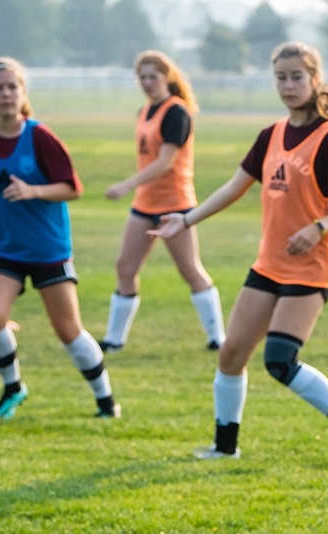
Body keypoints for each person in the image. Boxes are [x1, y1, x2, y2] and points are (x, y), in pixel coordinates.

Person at [149, 42, 328, 463]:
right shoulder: (271, 135)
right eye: (281, 77)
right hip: (270, 264)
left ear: (314, 80)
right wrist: (184, 220)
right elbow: (232, 188)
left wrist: (318, 228)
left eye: (296, 77)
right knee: (232, 352)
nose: (288, 85)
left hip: (312, 267)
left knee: (279, 359)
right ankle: (225, 448)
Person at [0, 57, 120, 420]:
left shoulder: (40, 137)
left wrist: (33, 192)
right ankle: (13, 388)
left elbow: (72, 189)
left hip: (48, 248)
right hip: (1, 247)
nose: (5, 94)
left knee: (68, 331)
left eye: (12, 87)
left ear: (23, 92)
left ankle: (106, 400)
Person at [100, 50, 226, 354]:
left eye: (152, 77)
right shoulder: (144, 112)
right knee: (125, 267)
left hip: (175, 204)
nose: (146, 83)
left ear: (167, 77)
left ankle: (218, 338)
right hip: (145, 204)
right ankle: (114, 340)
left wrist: (126, 185)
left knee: (190, 270)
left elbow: (165, 162)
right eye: (142, 77)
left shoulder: (176, 112)